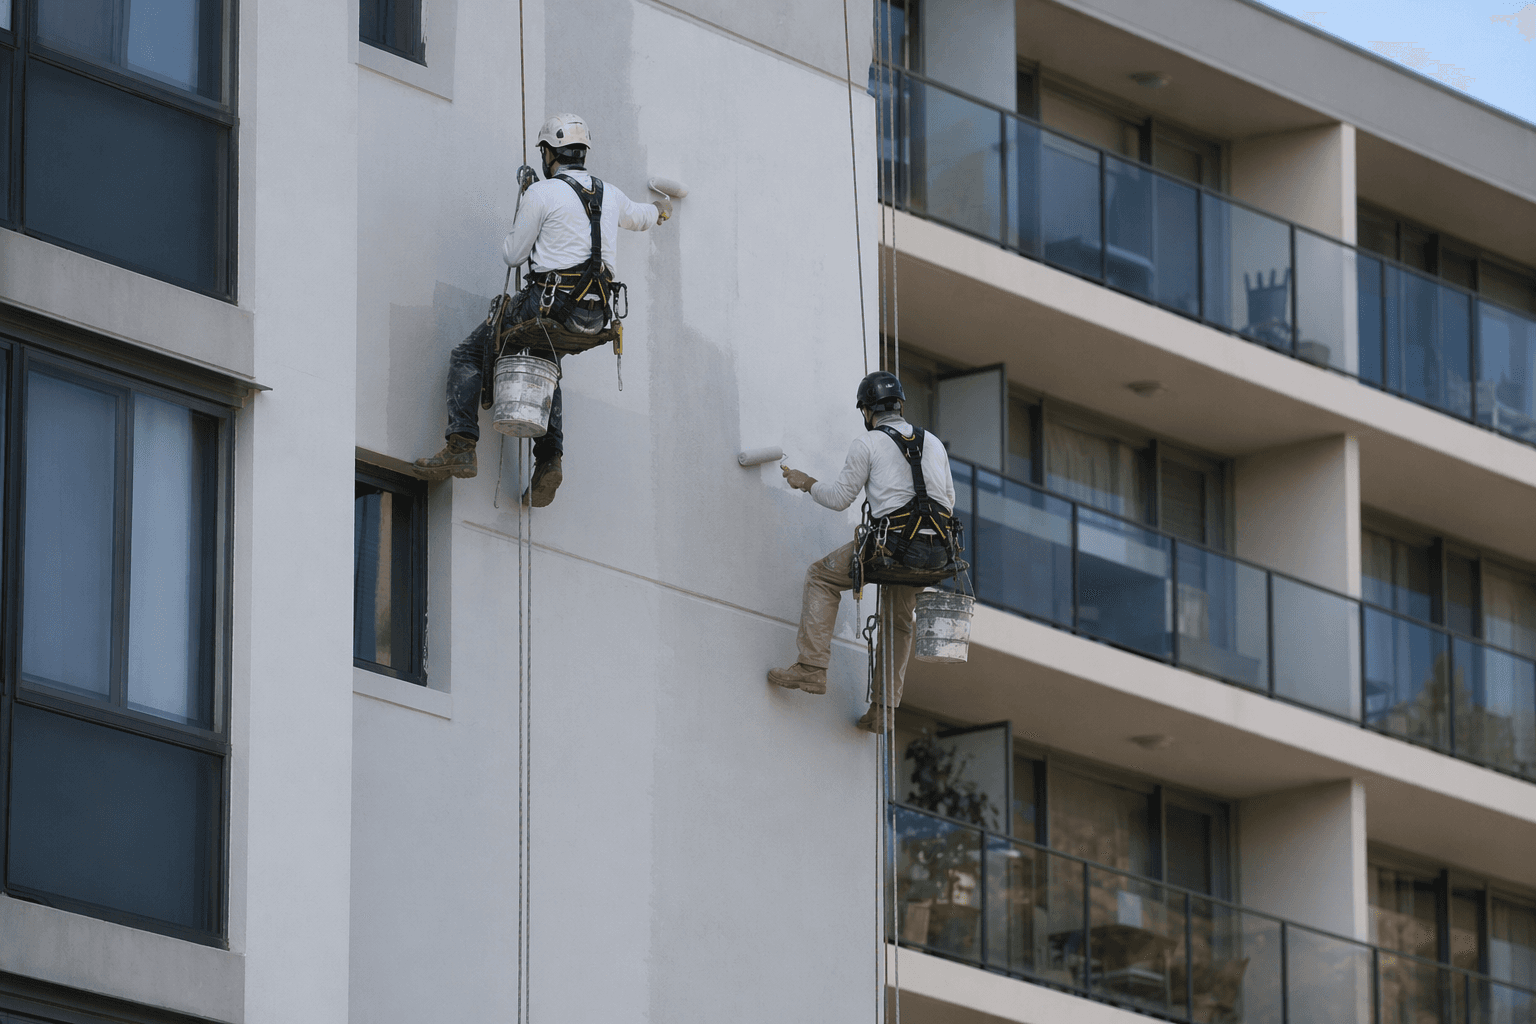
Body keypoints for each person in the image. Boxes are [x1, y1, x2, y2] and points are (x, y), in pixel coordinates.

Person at [416, 112, 672, 506]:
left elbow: (512, 255)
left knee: (467, 354)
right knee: (544, 366)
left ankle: (461, 445)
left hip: (549, 304)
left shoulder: (543, 193)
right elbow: (641, 217)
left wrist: (526, 201)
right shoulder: (610, 193)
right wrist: (661, 210)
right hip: (594, 316)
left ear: (551, 152)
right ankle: (550, 460)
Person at [768, 371, 958, 733]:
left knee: (822, 577)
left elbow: (840, 499)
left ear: (866, 411)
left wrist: (806, 482)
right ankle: (884, 711)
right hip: (933, 551)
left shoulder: (867, 443)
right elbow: (947, 501)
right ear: (900, 404)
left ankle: (811, 668)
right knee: (899, 620)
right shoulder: (933, 443)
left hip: (891, 546)